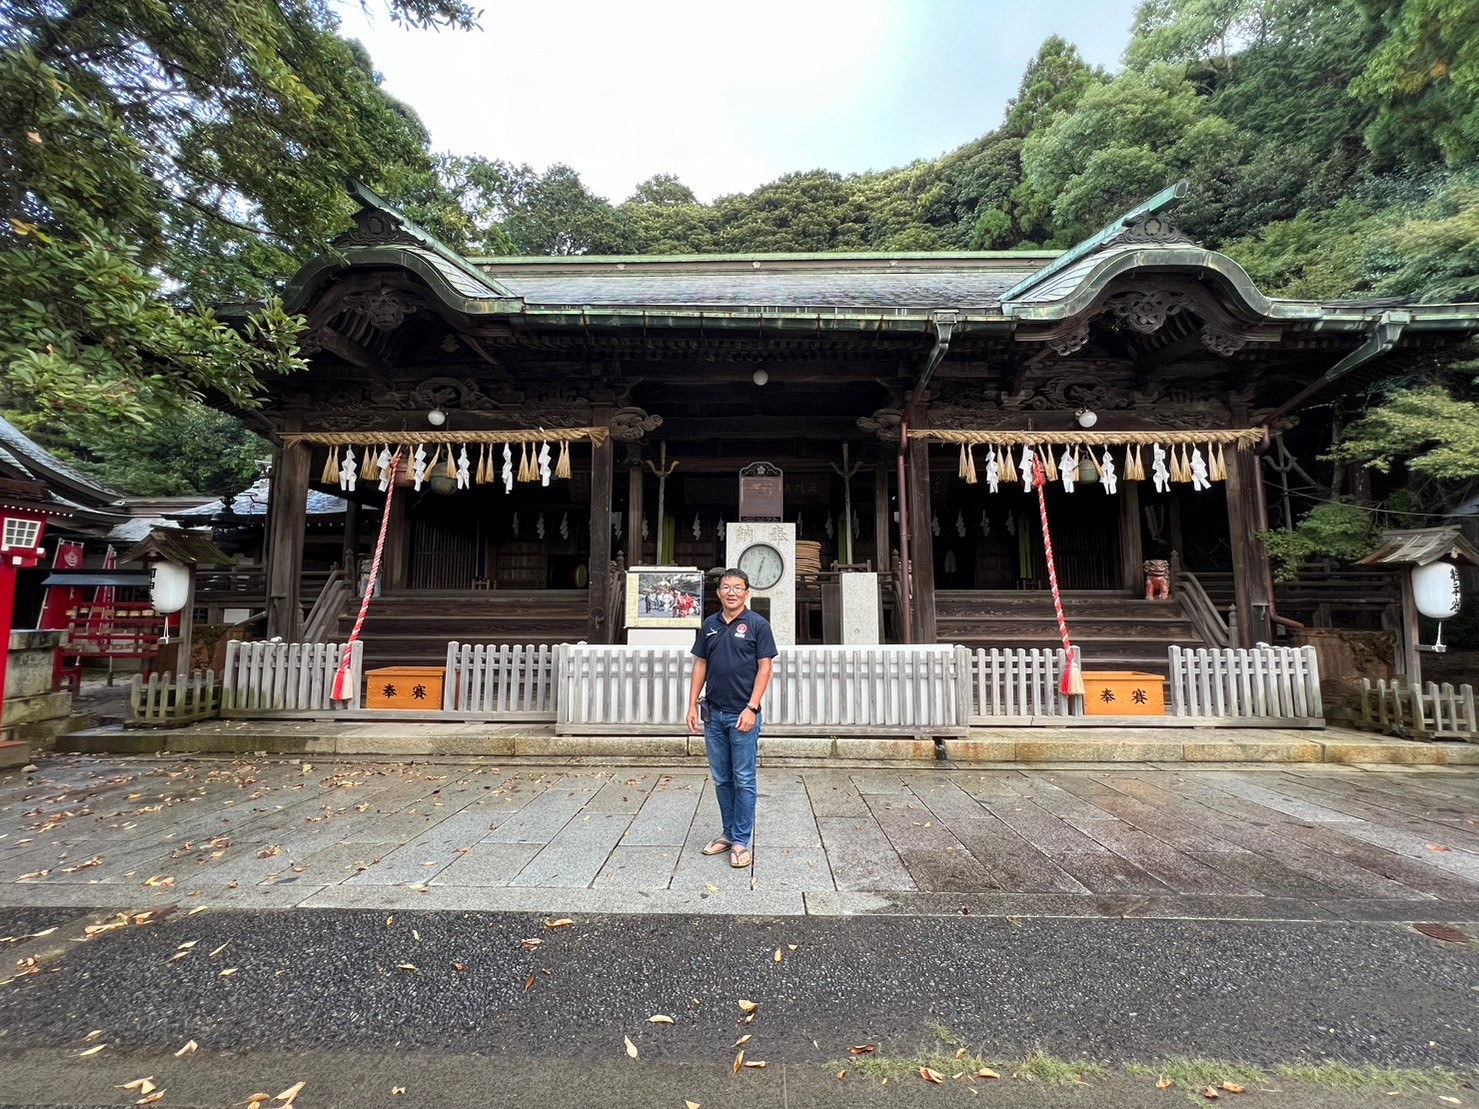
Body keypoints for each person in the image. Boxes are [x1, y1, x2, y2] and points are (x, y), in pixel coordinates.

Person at [686, 568, 777, 869]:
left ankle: (740, 840)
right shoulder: (710, 625)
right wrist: (691, 705)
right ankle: (728, 833)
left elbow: (765, 668)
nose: (732, 592)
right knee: (722, 777)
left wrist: (752, 708)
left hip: (743, 714)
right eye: (726, 587)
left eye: (738, 587)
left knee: (744, 778)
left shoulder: (757, 625)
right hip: (714, 714)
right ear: (718, 592)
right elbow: (701, 665)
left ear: (747, 593)